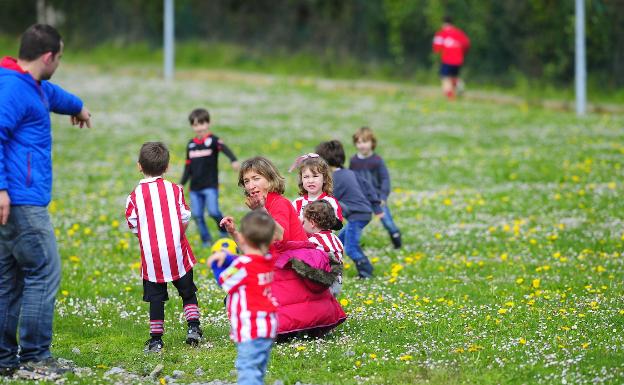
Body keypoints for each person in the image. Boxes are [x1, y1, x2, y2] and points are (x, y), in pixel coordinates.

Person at [0, 24, 91, 377]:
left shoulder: (29, 84)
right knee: (44, 270)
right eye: (60, 57)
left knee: (9, 278)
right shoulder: (13, 91)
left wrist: (78, 107)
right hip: (20, 201)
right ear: (48, 56)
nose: (60, 63)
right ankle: (36, 356)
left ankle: (5, 360)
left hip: (17, 199)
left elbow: (52, 95)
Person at [220, 156, 346, 338]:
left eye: (256, 178)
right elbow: (254, 247)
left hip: (293, 267)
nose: (251, 185)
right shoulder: (263, 206)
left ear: (270, 180)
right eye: (246, 181)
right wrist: (233, 232)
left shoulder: (278, 203)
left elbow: (279, 235)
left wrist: (261, 211)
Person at [125, 142, 203, 353]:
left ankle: (156, 340)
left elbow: (132, 223)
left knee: (156, 299)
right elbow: (185, 216)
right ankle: (193, 327)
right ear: (167, 167)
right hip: (176, 251)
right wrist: (177, 233)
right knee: (187, 292)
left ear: (139, 166)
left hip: (152, 257)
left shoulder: (134, 196)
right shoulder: (175, 190)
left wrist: (147, 236)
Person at [208, 210, 278, 385]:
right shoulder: (268, 259)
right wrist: (230, 254)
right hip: (268, 326)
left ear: (244, 240)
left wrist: (217, 263)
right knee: (258, 368)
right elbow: (248, 256)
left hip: (250, 328)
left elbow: (223, 280)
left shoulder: (243, 266)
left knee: (247, 369)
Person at [315, 140, 382, 278]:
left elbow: (330, 200)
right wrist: (376, 206)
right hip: (364, 212)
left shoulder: (334, 179)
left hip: (357, 216)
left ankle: (366, 272)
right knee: (340, 241)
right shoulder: (350, 173)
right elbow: (368, 187)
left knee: (350, 248)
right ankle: (331, 267)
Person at [180, 108, 240, 247]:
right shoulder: (191, 145)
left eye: (202, 123)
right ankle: (206, 239)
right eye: (195, 125)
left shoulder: (213, 141)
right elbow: (188, 167)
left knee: (213, 211)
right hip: (195, 188)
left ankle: (222, 229)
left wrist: (233, 160)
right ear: (192, 126)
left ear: (208, 123)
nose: (199, 127)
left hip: (210, 186)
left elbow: (225, 149)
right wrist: (182, 183)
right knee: (197, 215)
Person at [349, 127, 402, 249]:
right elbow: (351, 178)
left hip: (377, 199)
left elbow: (385, 179)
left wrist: (383, 196)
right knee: (356, 223)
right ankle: (354, 243)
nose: (362, 145)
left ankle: (396, 240)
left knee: (387, 221)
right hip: (361, 199)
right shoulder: (354, 161)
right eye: (359, 142)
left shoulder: (377, 161)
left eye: (365, 141)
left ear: (372, 143)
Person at [302, 200, 344, 297]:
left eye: (304, 221)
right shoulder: (336, 239)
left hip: (323, 282)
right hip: (337, 282)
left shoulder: (313, 241)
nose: (302, 224)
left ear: (312, 223)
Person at [290, 153, 343, 228]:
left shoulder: (330, 202)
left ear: (324, 178)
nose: (310, 180)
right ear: (301, 179)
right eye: (306, 177)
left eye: (315, 176)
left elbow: (337, 225)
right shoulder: (297, 203)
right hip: (301, 239)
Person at [432, 16, 470, 100]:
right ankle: (459, 85)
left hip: (447, 59)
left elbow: (436, 47)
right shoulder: (459, 33)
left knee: (445, 78)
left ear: (443, 24)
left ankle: (450, 97)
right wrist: (462, 53)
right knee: (453, 77)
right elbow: (467, 44)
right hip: (458, 60)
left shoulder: (441, 33)